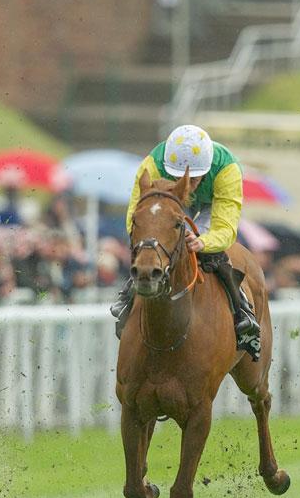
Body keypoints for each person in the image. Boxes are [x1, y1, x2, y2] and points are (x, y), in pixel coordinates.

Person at [109, 124, 261, 358]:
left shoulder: (227, 170)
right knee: (155, 242)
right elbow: (135, 217)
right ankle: (128, 294)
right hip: (170, 200)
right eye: (179, 177)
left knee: (210, 253)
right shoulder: (152, 166)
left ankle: (242, 312)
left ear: (207, 169)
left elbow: (226, 228)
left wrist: (203, 242)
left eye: (195, 178)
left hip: (211, 205)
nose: (188, 184)